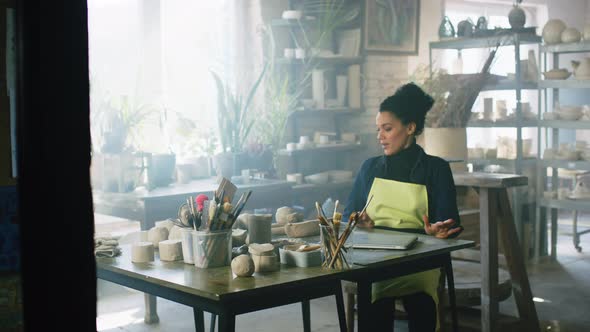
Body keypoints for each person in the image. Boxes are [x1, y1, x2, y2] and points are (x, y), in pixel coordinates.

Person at [343, 82, 463, 332]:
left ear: (410, 128)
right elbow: (347, 217)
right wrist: (359, 220)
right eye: (379, 129)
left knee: (422, 303)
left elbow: (451, 221)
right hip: (375, 260)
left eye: (387, 129)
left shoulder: (436, 168)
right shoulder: (369, 168)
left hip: (421, 258)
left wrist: (439, 230)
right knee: (373, 296)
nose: (380, 137)